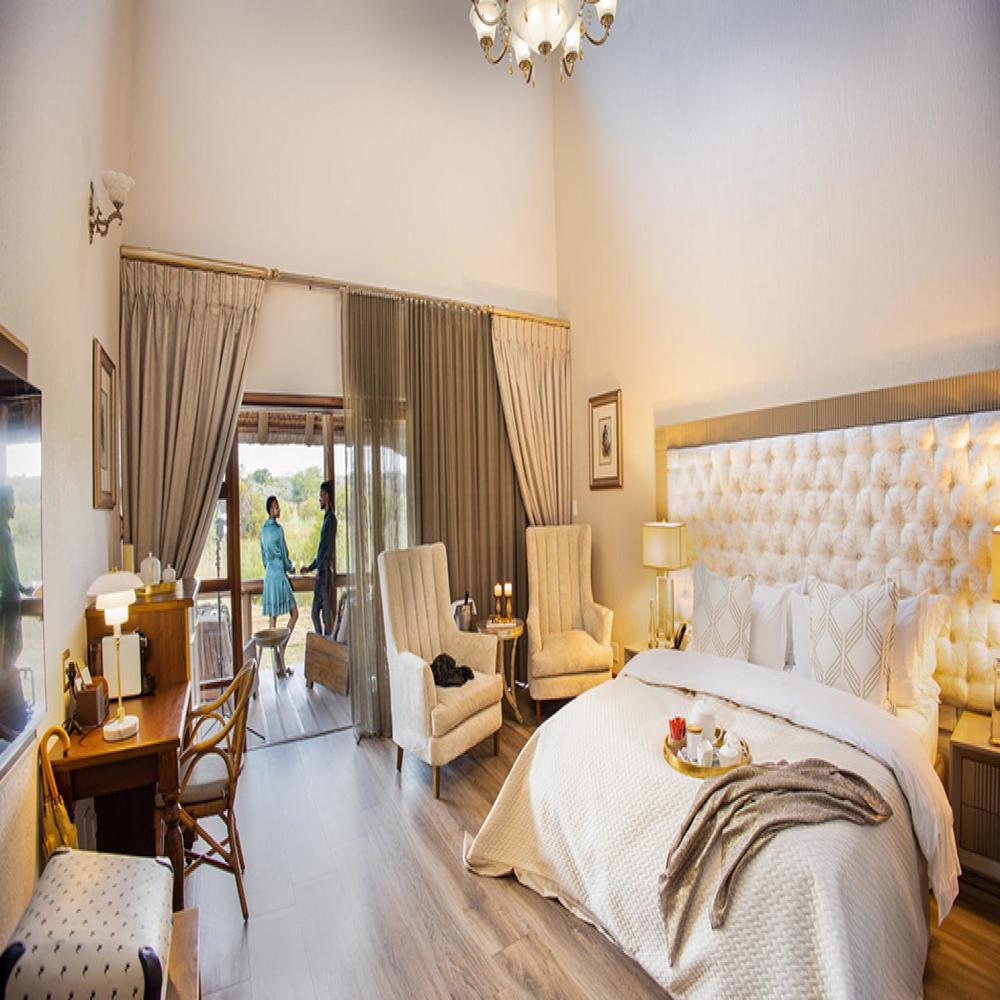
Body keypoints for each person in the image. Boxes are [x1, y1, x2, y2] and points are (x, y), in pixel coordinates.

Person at [260, 495, 298, 676]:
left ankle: (277, 666)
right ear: (270, 510)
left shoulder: (262, 530)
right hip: (278, 575)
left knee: (272, 622)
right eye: (275, 507)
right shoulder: (278, 530)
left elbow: (263, 557)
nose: (278, 509)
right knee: (295, 613)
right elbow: (283, 554)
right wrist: (290, 567)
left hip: (268, 576)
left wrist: (270, 568)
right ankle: (281, 650)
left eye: (278, 506)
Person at [300, 480, 336, 636]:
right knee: (317, 612)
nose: (319, 499)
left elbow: (328, 550)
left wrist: (320, 570)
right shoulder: (327, 519)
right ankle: (323, 642)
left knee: (321, 613)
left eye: (321, 495)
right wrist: (309, 567)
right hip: (321, 571)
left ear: (327, 496)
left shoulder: (331, 520)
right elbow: (321, 551)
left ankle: (326, 642)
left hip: (324, 573)